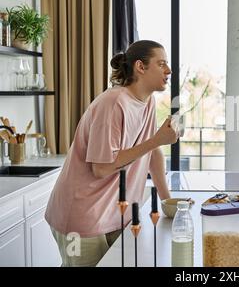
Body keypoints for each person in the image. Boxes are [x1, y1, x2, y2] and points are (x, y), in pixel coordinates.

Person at [45, 40, 179, 266]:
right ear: (140, 67)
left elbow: (152, 154)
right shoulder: (113, 104)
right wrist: (156, 139)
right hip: (81, 219)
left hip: (116, 216)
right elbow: (101, 168)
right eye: (162, 64)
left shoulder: (148, 102)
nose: (169, 71)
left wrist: (168, 202)